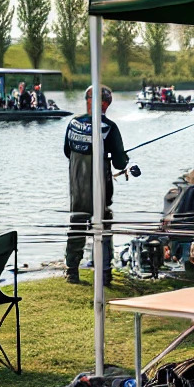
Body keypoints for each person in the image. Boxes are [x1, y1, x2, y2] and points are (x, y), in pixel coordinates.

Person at [65, 85, 129, 284]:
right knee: (103, 227)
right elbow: (119, 162)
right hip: (100, 188)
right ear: (106, 104)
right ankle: (104, 272)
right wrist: (123, 159)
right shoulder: (109, 127)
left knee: (76, 225)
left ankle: (72, 272)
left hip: (76, 188)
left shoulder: (73, 123)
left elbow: (67, 152)